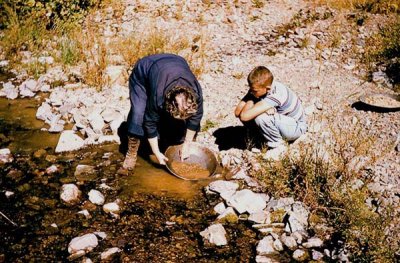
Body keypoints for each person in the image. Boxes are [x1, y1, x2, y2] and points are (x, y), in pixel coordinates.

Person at [123, 54, 203, 170]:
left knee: (176, 123)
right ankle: (132, 152)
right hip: (144, 71)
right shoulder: (158, 97)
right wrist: (156, 152)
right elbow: (150, 123)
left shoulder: (196, 94)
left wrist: (187, 144)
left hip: (175, 62)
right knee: (138, 113)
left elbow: (196, 118)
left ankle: (169, 137)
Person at [234, 66, 307, 156]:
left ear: (267, 88)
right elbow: (237, 112)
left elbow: (244, 116)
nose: (251, 92)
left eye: (254, 91)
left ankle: (278, 145)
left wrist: (252, 99)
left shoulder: (277, 94)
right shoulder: (262, 87)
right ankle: (260, 138)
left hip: (296, 127)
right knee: (256, 112)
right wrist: (253, 97)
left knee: (261, 117)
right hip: (282, 122)